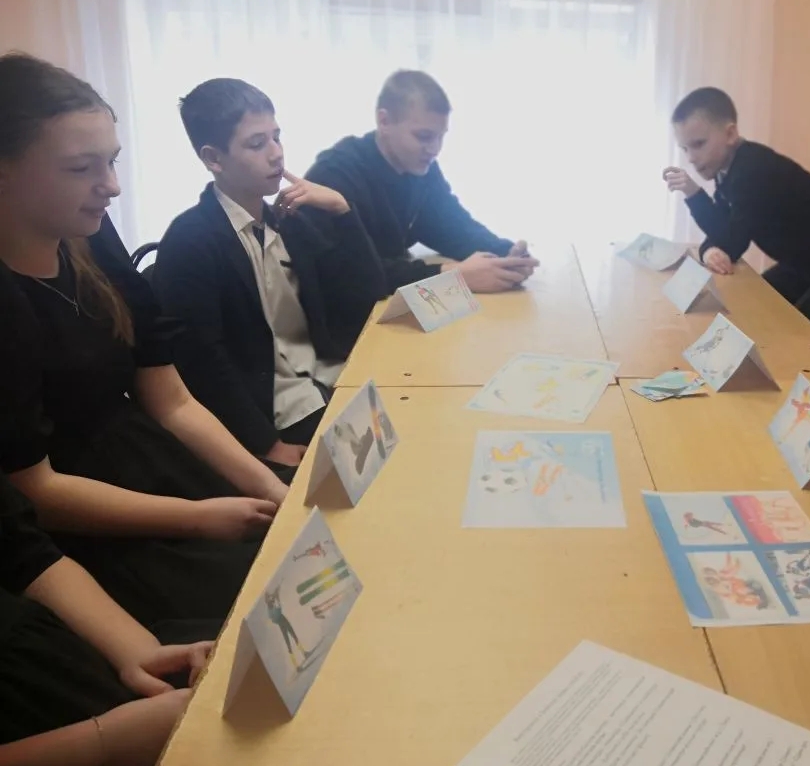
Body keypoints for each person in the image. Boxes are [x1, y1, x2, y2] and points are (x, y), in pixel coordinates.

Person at [0, 53, 287, 626]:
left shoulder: (90, 233)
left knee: (301, 545)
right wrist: (196, 517)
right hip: (87, 520)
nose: (111, 186)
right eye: (81, 168)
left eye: (111, 161)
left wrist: (269, 487)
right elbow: (37, 491)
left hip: (155, 465)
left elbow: (172, 401)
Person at [154, 78, 390, 466]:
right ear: (213, 159)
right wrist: (265, 444)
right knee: (383, 465)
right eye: (257, 143)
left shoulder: (289, 218)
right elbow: (202, 362)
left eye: (277, 137)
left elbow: (367, 294)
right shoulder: (191, 241)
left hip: (330, 380)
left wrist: (342, 211)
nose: (276, 153)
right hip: (273, 415)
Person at [0, 476, 216, 766]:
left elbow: (29, 559)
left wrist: (143, 657)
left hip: (75, 657)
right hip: (57, 761)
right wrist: (108, 745)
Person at [306, 70, 538, 293]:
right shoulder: (335, 175)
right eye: (424, 136)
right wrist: (451, 276)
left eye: (441, 136)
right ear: (384, 121)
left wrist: (506, 254)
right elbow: (350, 276)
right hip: (348, 311)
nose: (435, 149)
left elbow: (453, 227)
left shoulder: (419, 167)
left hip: (387, 300)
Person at [662, 87, 810, 327]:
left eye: (698, 144)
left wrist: (710, 240)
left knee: (794, 331)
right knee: (753, 306)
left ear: (730, 134)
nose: (691, 158)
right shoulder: (728, 169)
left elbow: (733, 242)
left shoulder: (752, 170)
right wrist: (708, 245)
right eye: (685, 149)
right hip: (803, 262)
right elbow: (724, 227)